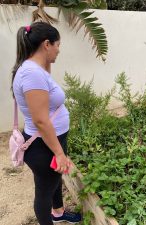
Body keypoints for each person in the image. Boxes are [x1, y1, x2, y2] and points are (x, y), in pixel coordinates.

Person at [11, 22, 81, 225]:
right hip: (44, 145)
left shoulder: (34, 69)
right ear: (46, 44)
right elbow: (40, 120)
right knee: (44, 192)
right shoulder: (32, 74)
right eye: (58, 45)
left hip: (50, 141)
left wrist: (48, 61)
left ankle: (58, 213)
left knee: (54, 181)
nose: (59, 50)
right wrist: (59, 153)